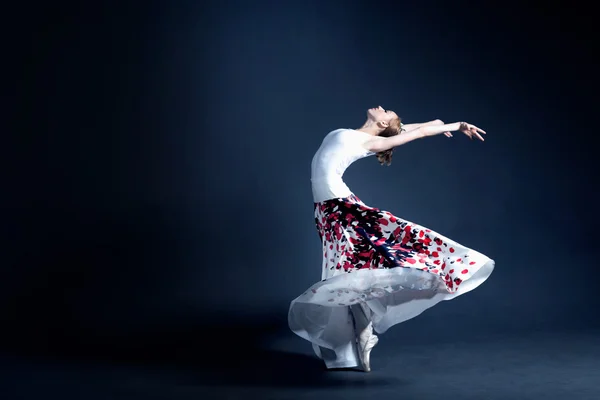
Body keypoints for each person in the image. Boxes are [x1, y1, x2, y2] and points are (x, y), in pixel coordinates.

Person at [288, 106, 495, 372]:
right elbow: (411, 127)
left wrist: (455, 126)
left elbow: (417, 132)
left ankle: (441, 273)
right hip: (327, 212)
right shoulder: (358, 135)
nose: (382, 108)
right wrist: (439, 121)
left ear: (383, 121)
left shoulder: (372, 141)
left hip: (341, 208)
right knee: (350, 272)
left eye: (386, 111)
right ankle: (363, 335)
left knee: (351, 270)